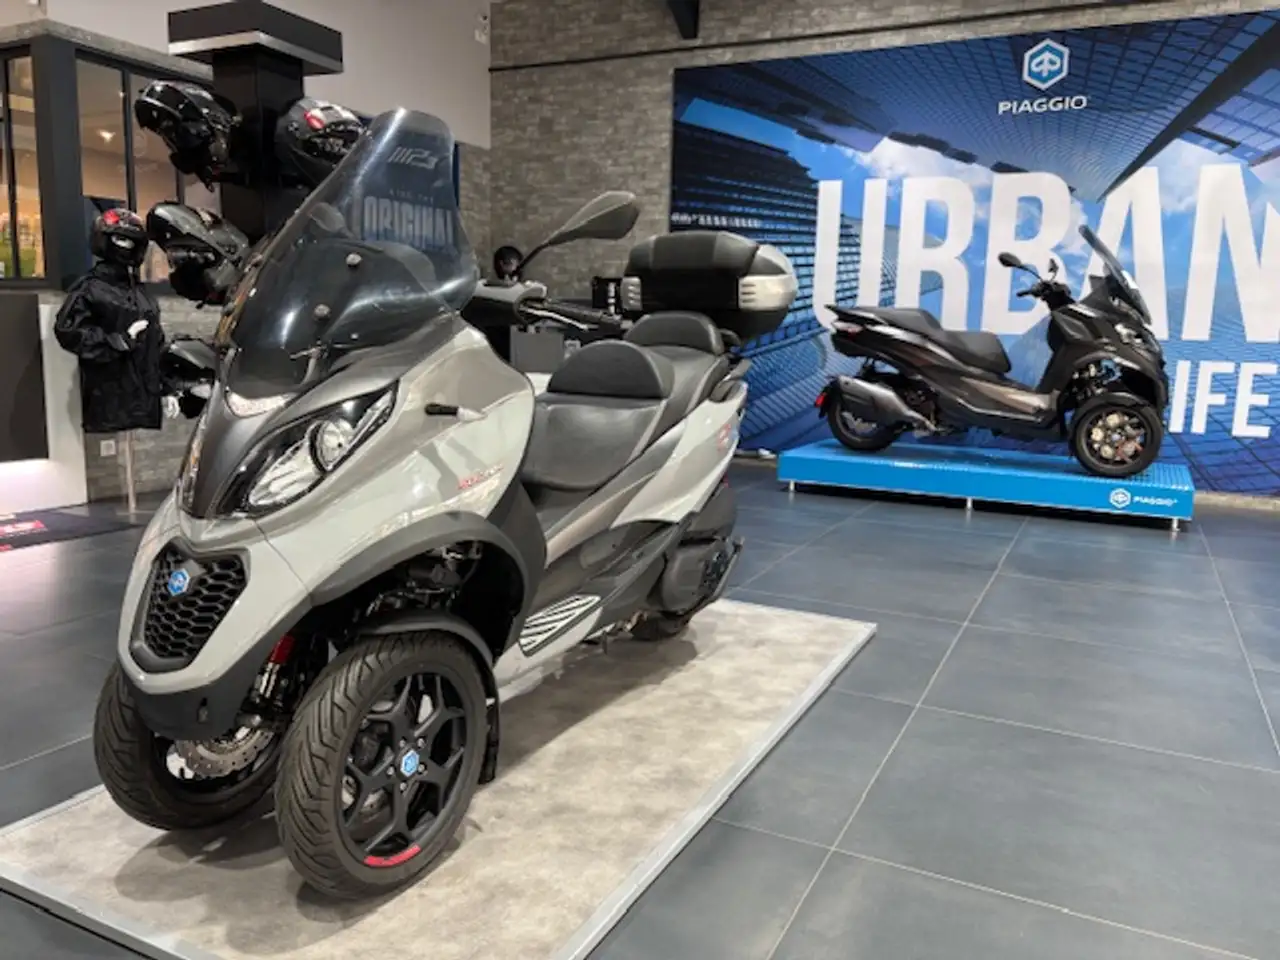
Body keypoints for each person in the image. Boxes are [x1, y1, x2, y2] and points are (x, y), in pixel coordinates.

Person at [55, 209, 166, 433]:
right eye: (120, 239)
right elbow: (69, 331)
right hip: (109, 398)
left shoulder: (140, 292)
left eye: (131, 241)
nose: (127, 247)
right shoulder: (91, 288)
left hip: (144, 398)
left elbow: (156, 342)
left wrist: (167, 387)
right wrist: (117, 341)